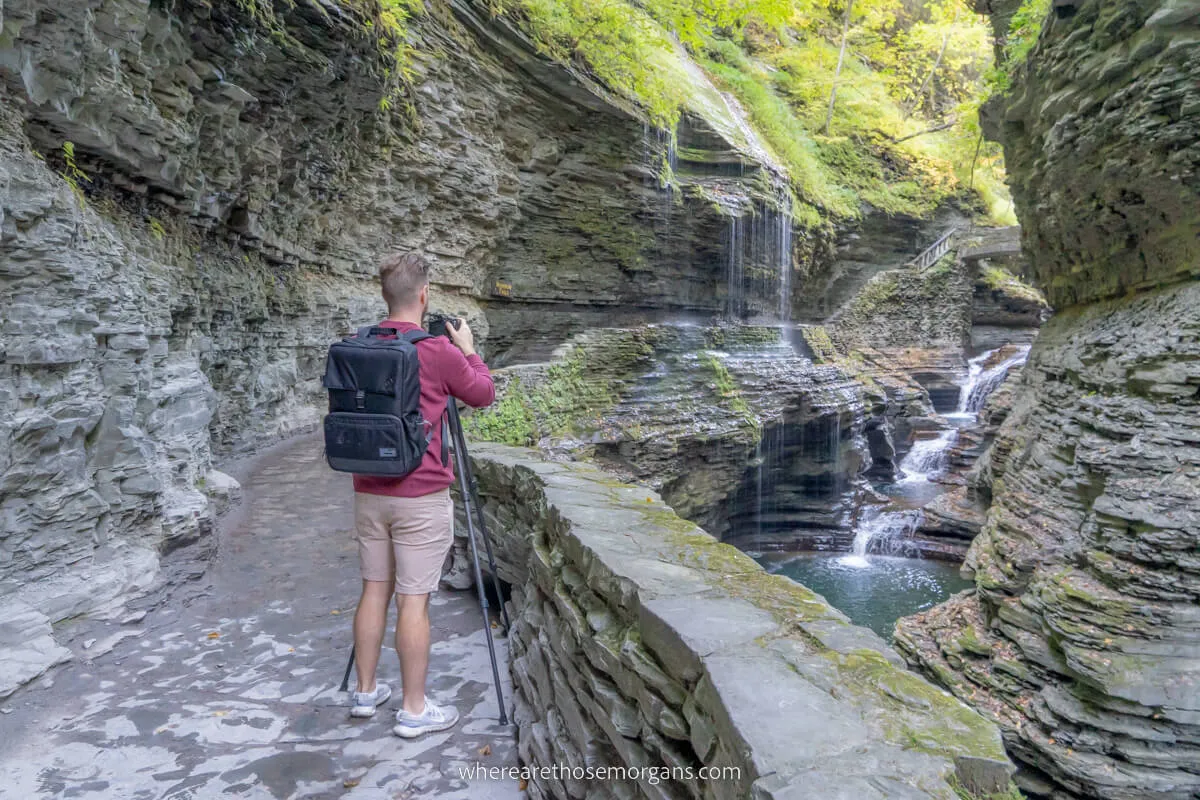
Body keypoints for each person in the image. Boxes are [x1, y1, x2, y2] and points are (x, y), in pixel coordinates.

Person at [346, 252, 495, 738]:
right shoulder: (437, 351)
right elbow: (481, 394)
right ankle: (413, 709)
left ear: (385, 295)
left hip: (368, 490)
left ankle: (365, 693)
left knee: (374, 589)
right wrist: (469, 349)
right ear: (425, 294)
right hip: (422, 494)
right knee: (414, 601)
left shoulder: (357, 345)